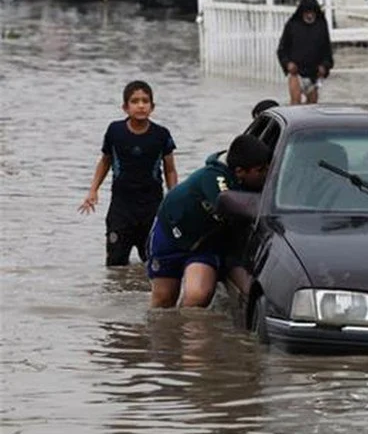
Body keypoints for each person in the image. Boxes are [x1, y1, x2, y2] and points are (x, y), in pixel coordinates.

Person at [146, 134, 271, 309]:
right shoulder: (214, 177)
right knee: (163, 301)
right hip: (170, 234)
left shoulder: (251, 182)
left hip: (205, 245)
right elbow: (229, 202)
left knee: (197, 296)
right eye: (261, 170)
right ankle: (168, 334)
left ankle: (187, 333)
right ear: (240, 171)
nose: (266, 174)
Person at [78, 81, 178, 266]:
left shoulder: (161, 134)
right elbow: (105, 161)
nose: (140, 105)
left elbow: (170, 169)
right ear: (125, 107)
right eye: (135, 101)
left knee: (153, 263)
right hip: (121, 210)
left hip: (152, 209)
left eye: (145, 101)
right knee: (115, 266)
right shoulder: (115, 131)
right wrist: (93, 190)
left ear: (152, 106)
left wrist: (174, 198)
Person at [276, 0, 334, 105]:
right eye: (307, 12)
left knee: (312, 107)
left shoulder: (321, 26)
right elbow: (282, 50)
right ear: (302, 12)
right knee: (295, 104)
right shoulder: (292, 25)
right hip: (296, 73)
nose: (310, 15)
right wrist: (288, 64)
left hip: (314, 75)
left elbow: (327, 51)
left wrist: (324, 66)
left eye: (312, 12)